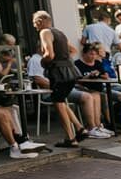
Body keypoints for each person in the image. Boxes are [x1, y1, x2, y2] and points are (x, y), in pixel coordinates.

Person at [34, 9, 108, 146]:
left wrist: (44, 63)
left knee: (59, 103)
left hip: (58, 73)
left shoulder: (44, 32)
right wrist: (65, 61)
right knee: (61, 101)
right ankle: (79, 129)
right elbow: (73, 50)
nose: (34, 26)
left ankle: (71, 138)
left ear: (40, 21)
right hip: (70, 71)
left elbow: (49, 54)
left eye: (35, 23)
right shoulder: (60, 33)